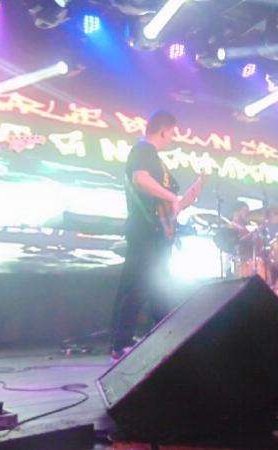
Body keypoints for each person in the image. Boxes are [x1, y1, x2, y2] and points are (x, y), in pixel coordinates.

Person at [110, 111, 181, 362]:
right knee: (138, 285)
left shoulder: (152, 156)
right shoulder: (143, 150)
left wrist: (176, 204)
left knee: (157, 285)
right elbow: (140, 179)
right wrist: (172, 197)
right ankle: (120, 344)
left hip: (154, 232)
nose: (173, 138)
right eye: (172, 133)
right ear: (163, 131)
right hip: (145, 231)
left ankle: (164, 338)